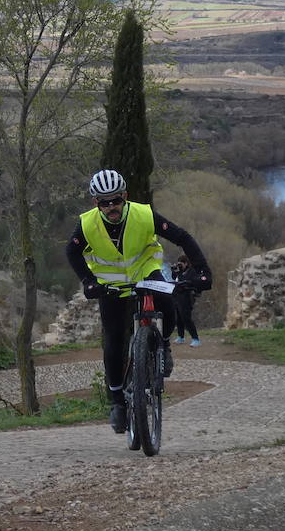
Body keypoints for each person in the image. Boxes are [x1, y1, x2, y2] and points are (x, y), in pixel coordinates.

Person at [66, 169, 213, 434]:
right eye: (104, 202)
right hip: (112, 285)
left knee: (167, 304)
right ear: (95, 203)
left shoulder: (143, 214)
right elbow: (72, 252)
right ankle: (116, 401)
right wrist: (88, 281)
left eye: (116, 200)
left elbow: (182, 237)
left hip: (145, 272)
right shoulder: (86, 224)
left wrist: (202, 270)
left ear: (125, 196)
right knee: (113, 339)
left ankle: (164, 345)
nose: (111, 207)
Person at [172, 254, 203, 347]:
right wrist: (175, 271)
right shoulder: (180, 271)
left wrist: (180, 274)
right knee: (178, 318)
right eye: (178, 264)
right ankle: (180, 337)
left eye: (181, 264)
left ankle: (196, 339)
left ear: (186, 263)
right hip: (178, 296)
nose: (179, 266)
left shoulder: (192, 271)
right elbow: (174, 278)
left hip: (187, 297)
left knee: (186, 318)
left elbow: (187, 282)